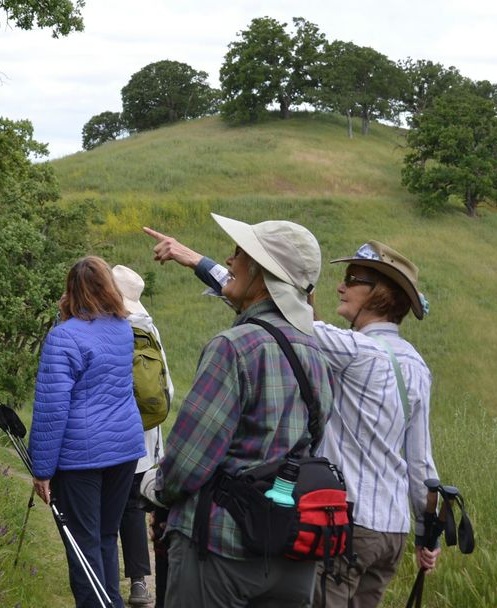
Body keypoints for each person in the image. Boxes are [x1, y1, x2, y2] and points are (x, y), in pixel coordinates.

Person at [145, 227, 441, 607]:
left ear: (380, 294)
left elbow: (280, 315)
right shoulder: (417, 365)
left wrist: (200, 263)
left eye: (354, 279)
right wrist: (426, 532)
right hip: (391, 530)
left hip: (340, 522)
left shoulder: (350, 350)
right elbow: (420, 460)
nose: (341, 286)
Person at [147, 214, 335, 608]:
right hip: (291, 551)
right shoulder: (315, 352)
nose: (230, 262)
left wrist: (155, 490)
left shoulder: (234, 347)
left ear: (262, 274)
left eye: (239, 254)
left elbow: (189, 462)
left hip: (220, 549)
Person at [29, 255, 147, 608]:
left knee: (83, 544)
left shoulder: (63, 337)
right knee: (106, 537)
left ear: (70, 291)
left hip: (82, 457)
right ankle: (111, 601)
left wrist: (42, 471)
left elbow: (52, 408)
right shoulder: (122, 329)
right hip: (124, 448)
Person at [112, 264, 172, 607]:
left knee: (106, 509)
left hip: (108, 436)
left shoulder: (107, 327)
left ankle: (101, 581)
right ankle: (138, 584)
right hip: (145, 438)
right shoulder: (150, 330)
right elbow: (168, 391)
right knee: (133, 509)